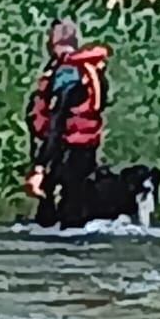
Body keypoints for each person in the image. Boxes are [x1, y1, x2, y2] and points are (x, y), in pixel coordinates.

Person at [25, 19, 111, 228]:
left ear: (52, 41)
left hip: (65, 147)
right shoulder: (89, 69)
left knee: (59, 213)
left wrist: (40, 166)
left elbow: (57, 119)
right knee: (75, 201)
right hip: (87, 144)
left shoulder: (66, 72)